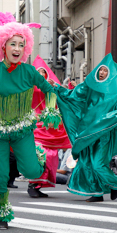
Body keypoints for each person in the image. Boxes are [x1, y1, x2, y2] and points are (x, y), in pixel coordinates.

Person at [0, 17, 53, 230]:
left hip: (22, 128)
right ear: (3, 45)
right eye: (13, 43)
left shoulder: (29, 71)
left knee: (33, 171)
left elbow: (49, 90)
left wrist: (50, 108)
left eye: (21, 44)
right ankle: (0, 214)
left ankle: (38, 156)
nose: (17, 48)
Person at [57, 57, 117, 202]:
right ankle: (97, 193)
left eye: (106, 70)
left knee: (98, 164)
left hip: (104, 133)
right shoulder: (88, 86)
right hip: (87, 132)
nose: (102, 72)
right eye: (101, 69)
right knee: (87, 163)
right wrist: (56, 87)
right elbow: (72, 96)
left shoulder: (116, 90)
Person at [25, 57, 71, 198]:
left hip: (50, 126)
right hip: (35, 125)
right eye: (38, 72)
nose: (41, 75)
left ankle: (39, 184)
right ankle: (33, 184)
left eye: (43, 72)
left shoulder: (52, 85)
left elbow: (64, 98)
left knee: (52, 157)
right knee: (40, 155)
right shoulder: (28, 86)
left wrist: (55, 87)